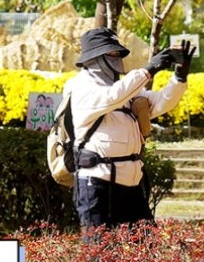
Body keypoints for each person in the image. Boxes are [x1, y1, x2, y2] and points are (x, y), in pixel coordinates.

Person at [65, 26, 191, 229]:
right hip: (97, 184)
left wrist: (179, 77)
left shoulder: (125, 88)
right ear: (94, 56)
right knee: (100, 253)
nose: (117, 58)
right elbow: (111, 97)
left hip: (131, 184)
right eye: (111, 53)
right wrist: (148, 70)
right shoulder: (80, 86)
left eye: (118, 53)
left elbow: (160, 103)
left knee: (144, 250)